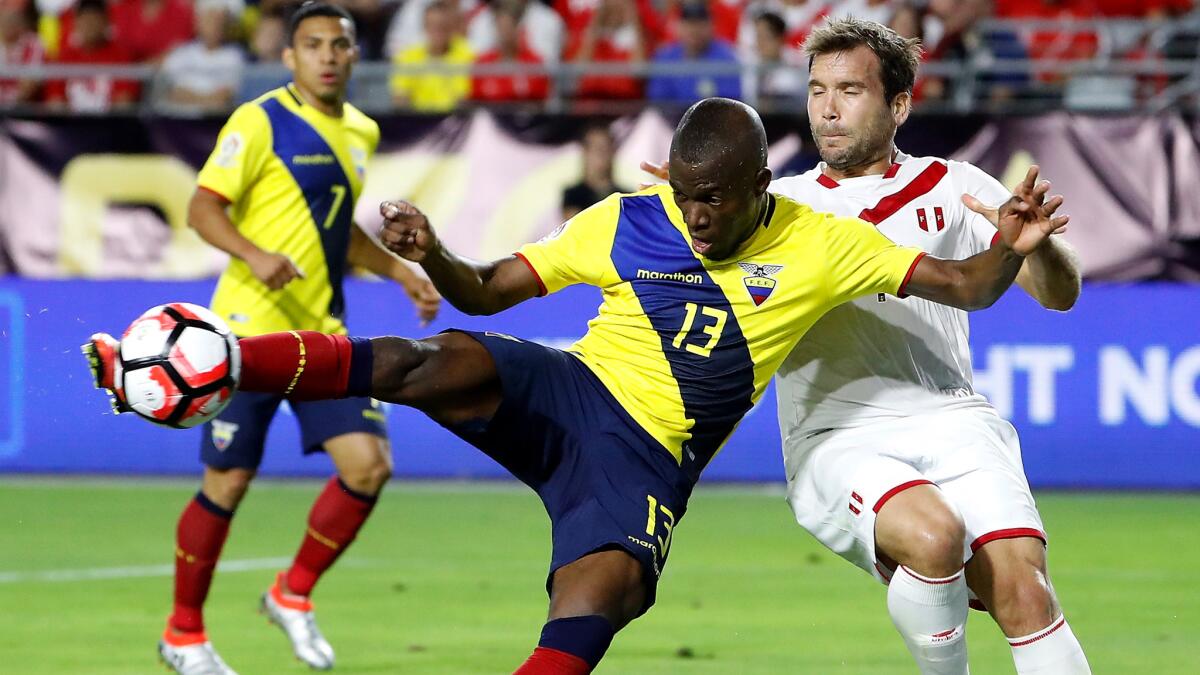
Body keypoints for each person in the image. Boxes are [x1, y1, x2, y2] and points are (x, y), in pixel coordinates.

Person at [86, 96, 1067, 673]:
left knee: (603, 600)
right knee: (438, 360)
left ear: (759, 188)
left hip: (645, 460)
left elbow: (966, 288)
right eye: (682, 196)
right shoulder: (631, 218)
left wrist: (1012, 249)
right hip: (570, 389)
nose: (693, 217)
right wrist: (439, 253)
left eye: (713, 200)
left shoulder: (823, 243)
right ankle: (215, 355)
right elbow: (491, 290)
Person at [641, 17, 1090, 675]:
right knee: (934, 535)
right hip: (837, 432)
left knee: (1027, 591)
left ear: (899, 104)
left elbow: (1059, 292)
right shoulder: (775, 206)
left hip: (955, 420)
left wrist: (1037, 244)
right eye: (818, 88)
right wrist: (690, 215)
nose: (826, 107)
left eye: (849, 89)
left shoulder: (956, 186)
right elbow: (686, 278)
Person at [87, 3, 440, 673]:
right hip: (241, 341)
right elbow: (201, 207)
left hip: (322, 333)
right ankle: (183, 633)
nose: (328, 56)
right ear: (290, 57)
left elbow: (338, 230)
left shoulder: (360, 130)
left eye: (340, 44)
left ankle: (291, 592)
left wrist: (402, 272)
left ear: (354, 54)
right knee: (228, 482)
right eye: (313, 45)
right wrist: (253, 254)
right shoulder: (260, 120)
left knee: (368, 465)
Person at [44, 0, 139, 112]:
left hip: (110, 126)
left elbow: (124, 102)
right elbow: (55, 101)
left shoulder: (121, 56)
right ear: (75, 22)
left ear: (106, 21)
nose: (89, 25)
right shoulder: (64, 58)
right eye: (85, 20)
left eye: (94, 19)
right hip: (69, 126)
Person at [646, 1, 741, 104]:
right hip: (671, 118)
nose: (694, 31)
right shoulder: (666, 56)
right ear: (679, 27)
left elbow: (730, 101)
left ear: (712, 26)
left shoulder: (726, 57)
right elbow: (657, 97)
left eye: (700, 25)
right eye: (689, 24)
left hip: (713, 117)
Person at [160, 0, 246, 112]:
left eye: (219, 21)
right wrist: (206, 100)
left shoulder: (235, 57)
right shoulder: (181, 54)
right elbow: (171, 92)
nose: (214, 26)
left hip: (215, 120)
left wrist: (190, 98)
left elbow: (225, 97)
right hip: (178, 120)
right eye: (209, 20)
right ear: (198, 22)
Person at [390, 0, 473, 112]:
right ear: (425, 26)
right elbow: (399, 98)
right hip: (417, 122)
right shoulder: (408, 56)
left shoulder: (467, 55)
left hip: (455, 121)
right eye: (433, 26)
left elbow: (464, 99)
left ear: (451, 27)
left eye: (443, 26)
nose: (438, 32)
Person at [560, 123, 630, 221]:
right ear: (585, 152)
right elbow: (576, 228)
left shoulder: (626, 197)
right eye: (596, 148)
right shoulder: (573, 195)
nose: (601, 154)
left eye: (606, 148)